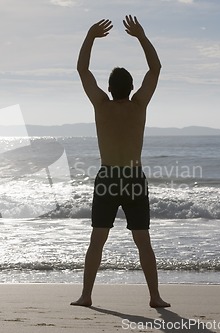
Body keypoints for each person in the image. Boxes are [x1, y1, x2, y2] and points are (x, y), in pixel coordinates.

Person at [71, 15, 170, 308]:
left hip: (108, 179)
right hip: (134, 178)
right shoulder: (139, 105)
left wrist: (90, 36)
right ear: (130, 87)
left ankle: (87, 295)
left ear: (110, 87)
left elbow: (82, 69)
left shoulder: (101, 105)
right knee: (143, 240)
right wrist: (140, 36)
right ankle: (154, 297)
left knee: (97, 239)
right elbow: (155, 68)